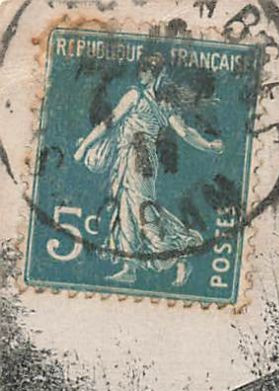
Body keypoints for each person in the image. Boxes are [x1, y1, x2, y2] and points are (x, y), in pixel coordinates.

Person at [72, 52, 223, 286]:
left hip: (139, 159)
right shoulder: (147, 98)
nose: (142, 74)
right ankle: (130, 267)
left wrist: (209, 146)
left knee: (142, 210)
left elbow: (184, 132)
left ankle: (181, 253)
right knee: (126, 211)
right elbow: (110, 122)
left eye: (147, 70)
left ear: (157, 74)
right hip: (128, 159)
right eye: (142, 69)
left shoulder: (147, 99)